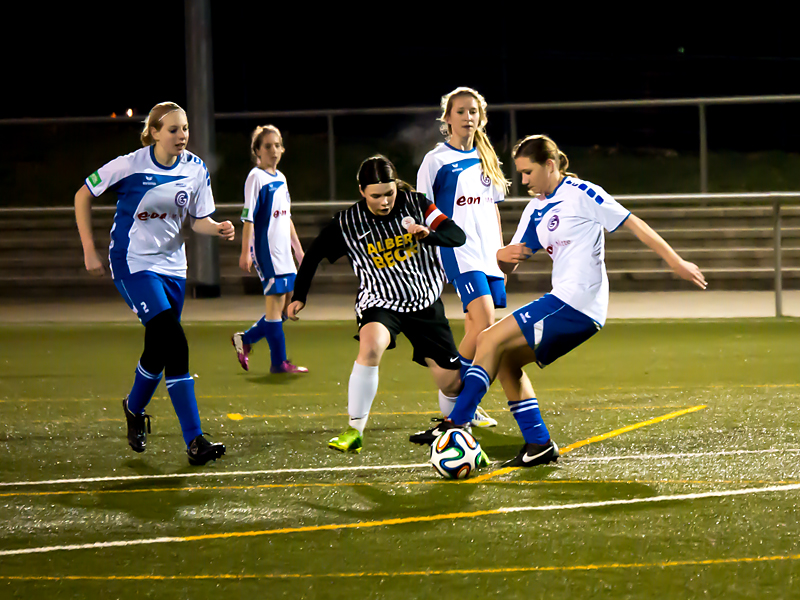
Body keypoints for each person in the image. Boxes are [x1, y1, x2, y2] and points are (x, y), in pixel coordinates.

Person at [413, 134, 708, 466]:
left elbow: (633, 223)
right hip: (564, 301)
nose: (523, 180)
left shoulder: (582, 194)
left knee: (489, 339)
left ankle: (457, 423)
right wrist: (501, 255)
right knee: (506, 360)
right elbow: (511, 260)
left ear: (549, 165)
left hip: (578, 301)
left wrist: (675, 262)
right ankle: (538, 444)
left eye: (528, 172)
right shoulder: (535, 209)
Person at [286, 155, 485, 460]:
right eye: (376, 195)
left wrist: (428, 234)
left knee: (452, 382)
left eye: (389, 193)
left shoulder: (417, 204)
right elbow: (313, 254)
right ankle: (354, 430)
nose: (384, 201)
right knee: (370, 344)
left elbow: (456, 235)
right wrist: (300, 295)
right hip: (380, 301)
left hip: (424, 301)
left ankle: (457, 433)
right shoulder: (348, 222)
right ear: (362, 191)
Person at [74, 101, 233, 466]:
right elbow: (83, 195)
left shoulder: (196, 169)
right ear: (155, 132)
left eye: (186, 129)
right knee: (173, 338)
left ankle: (133, 407)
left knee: (160, 347)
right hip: (133, 263)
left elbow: (198, 220)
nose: (182, 136)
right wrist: (89, 249)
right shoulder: (130, 164)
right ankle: (195, 441)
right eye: (174, 129)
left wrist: (218, 228)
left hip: (174, 268)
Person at [414, 86, 509, 430]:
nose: (467, 117)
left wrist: (500, 256)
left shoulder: (487, 158)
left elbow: (493, 212)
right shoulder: (435, 160)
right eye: (460, 112)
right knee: (484, 321)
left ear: (481, 117)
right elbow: (420, 206)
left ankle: (463, 401)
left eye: (473, 112)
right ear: (447, 118)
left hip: (487, 254)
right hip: (457, 250)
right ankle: (453, 396)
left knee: (478, 328)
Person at [231, 125, 307, 374]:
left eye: (277, 145)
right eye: (267, 146)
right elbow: (249, 218)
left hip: (284, 251)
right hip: (268, 252)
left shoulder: (281, 178)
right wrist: (246, 251)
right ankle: (279, 363)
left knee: (287, 307)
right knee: (274, 307)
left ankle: (246, 339)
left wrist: (298, 250)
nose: (273, 150)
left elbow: (287, 218)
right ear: (257, 151)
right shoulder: (256, 177)